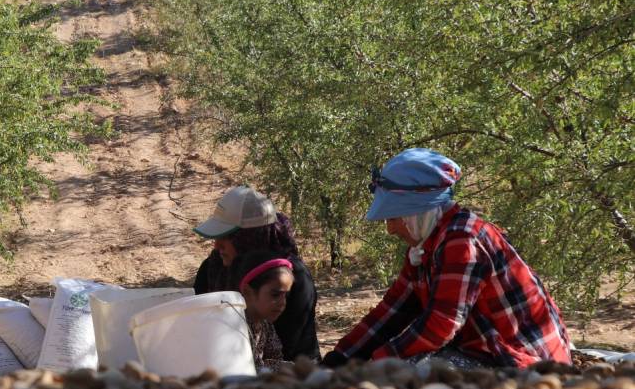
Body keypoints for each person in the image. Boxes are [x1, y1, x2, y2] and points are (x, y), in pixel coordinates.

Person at [322, 148, 571, 369]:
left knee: (416, 372)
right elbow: (393, 310)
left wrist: (379, 361)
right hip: (487, 351)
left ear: (416, 213)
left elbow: (441, 324)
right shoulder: (427, 246)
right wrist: (342, 356)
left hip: (527, 363)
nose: (390, 229)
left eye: (393, 218)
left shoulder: (461, 239)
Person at [193, 185, 321, 361]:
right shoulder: (212, 269)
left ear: (249, 237)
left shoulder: (291, 278)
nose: (217, 245)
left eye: (227, 237)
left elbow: (289, 351)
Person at [234, 251, 295, 371]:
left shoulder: (265, 324)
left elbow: (274, 358)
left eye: (285, 296)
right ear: (248, 292)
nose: (283, 303)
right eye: (275, 294)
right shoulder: (236, 327)